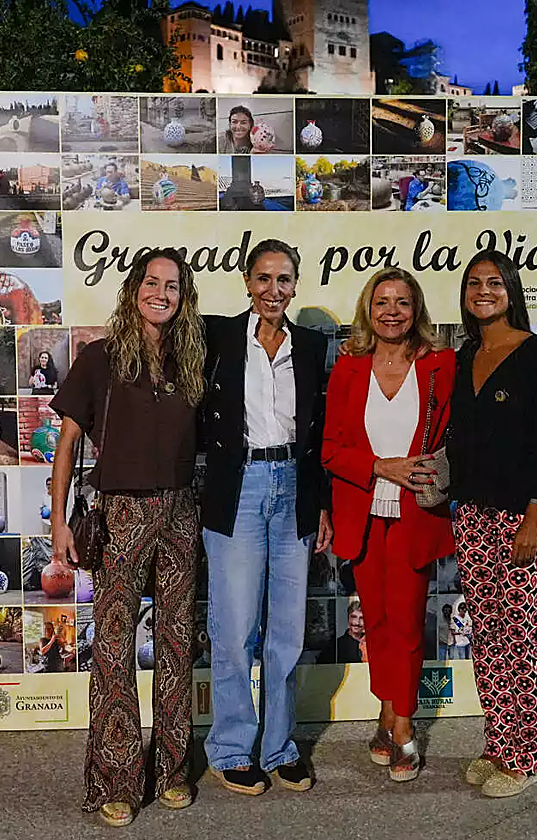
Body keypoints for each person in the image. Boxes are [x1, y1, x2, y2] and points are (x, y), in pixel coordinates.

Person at [48, 247, 206, 826]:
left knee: (176, 644)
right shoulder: (100, 358)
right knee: (113, 647)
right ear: (133, 288)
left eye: (172, 285)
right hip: (121, 514)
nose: (160, 293)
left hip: (182, 513)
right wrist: (59, 520)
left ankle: (169, 770)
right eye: (151, 281)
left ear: (183, 297)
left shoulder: (191, 360)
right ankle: (115, 780)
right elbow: (65, 445)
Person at [199, 238, 333, 796]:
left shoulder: (311, 344)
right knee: (234, 628)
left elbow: (322, 430)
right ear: (247, 284)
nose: (273, 290)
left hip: (295, 487)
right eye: (263, 278)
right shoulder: (219, 336)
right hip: (240, 486)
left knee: (286, 629)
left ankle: (279, 746)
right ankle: (230, 748)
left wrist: (321, 500)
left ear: (295, 286)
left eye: (283, 280)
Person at [322, 266, 455, 782]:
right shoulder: (348, 368)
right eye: (382, 302)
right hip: (364, 512)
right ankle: (385, 713)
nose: (392, 310)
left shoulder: (441, 364)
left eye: (402, 301)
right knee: (374, 622)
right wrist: (381, 466)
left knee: (405, 621)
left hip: (415, 514)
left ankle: (403, 727)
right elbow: (332, 450)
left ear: (415, 309)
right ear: (368, 310)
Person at [447, 250, 537, 798]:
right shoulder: (464, 355)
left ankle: (525, 758)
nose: (483, 291)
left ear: (511, 290)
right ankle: (499, 742)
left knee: (518, 638)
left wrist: (535, 515)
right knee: (488, 641)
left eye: (494, 282)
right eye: (474, 283)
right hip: (472, 516)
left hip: (523, 517)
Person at [316, 600, 366, 664]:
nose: (357, 622)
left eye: (361, 618)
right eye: (353, 617)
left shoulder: (373, 643)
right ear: (348, 618)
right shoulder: (336, 646)